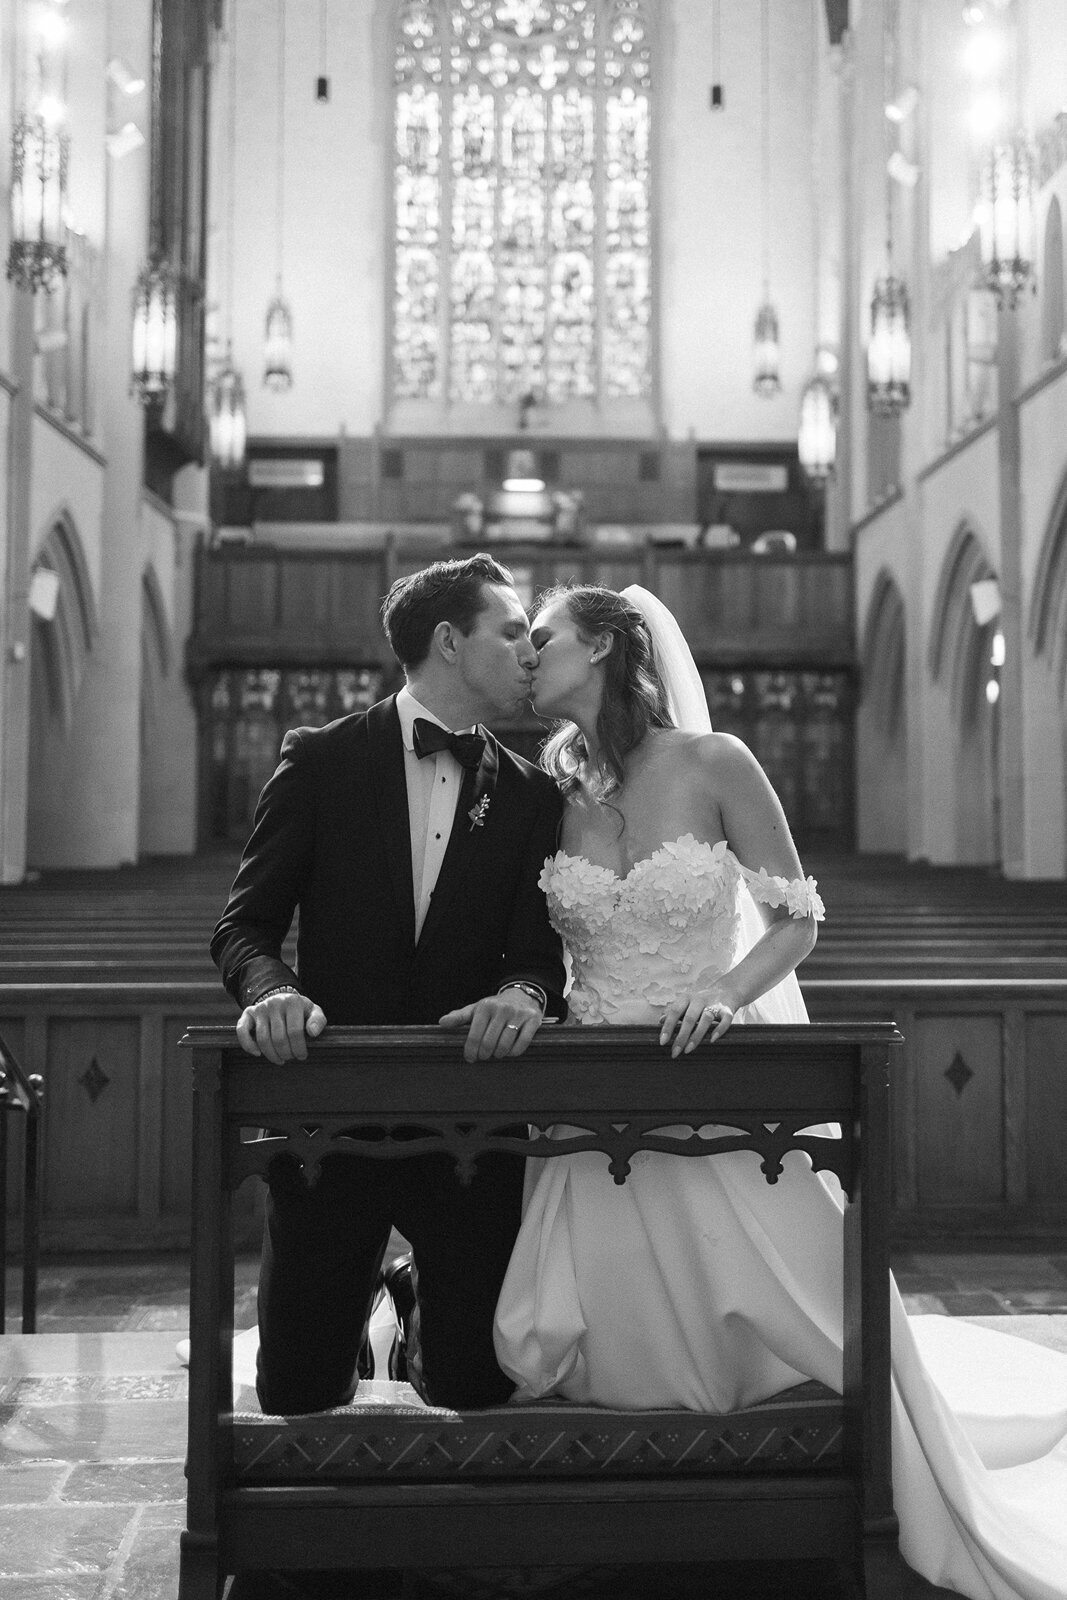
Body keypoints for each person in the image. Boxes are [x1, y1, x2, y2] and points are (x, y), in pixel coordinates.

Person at [493, 583, 1067, 1600]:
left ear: (609, 646)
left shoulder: (714, 762)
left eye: (545, 638)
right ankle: (634, 1514)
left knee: (785, 1303)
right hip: (593, 1093)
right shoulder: (555, 787)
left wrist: (723, 990)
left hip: (712, 1073)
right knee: (606, 1319)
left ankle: (787, 1497)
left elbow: (796, 917)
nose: (530, 656)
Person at [212, 552, 567, 1418]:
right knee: (297, 1387)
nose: (531, 651)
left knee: (476, 1385)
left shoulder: (531, 796)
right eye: (511, 631)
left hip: (469, 1112)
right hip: (334, 1104)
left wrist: (524, 994)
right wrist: (270, 992)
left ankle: (410, 1308)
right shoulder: (322, 760)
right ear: (448, 641)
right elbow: (244, 927)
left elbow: (537, 955)